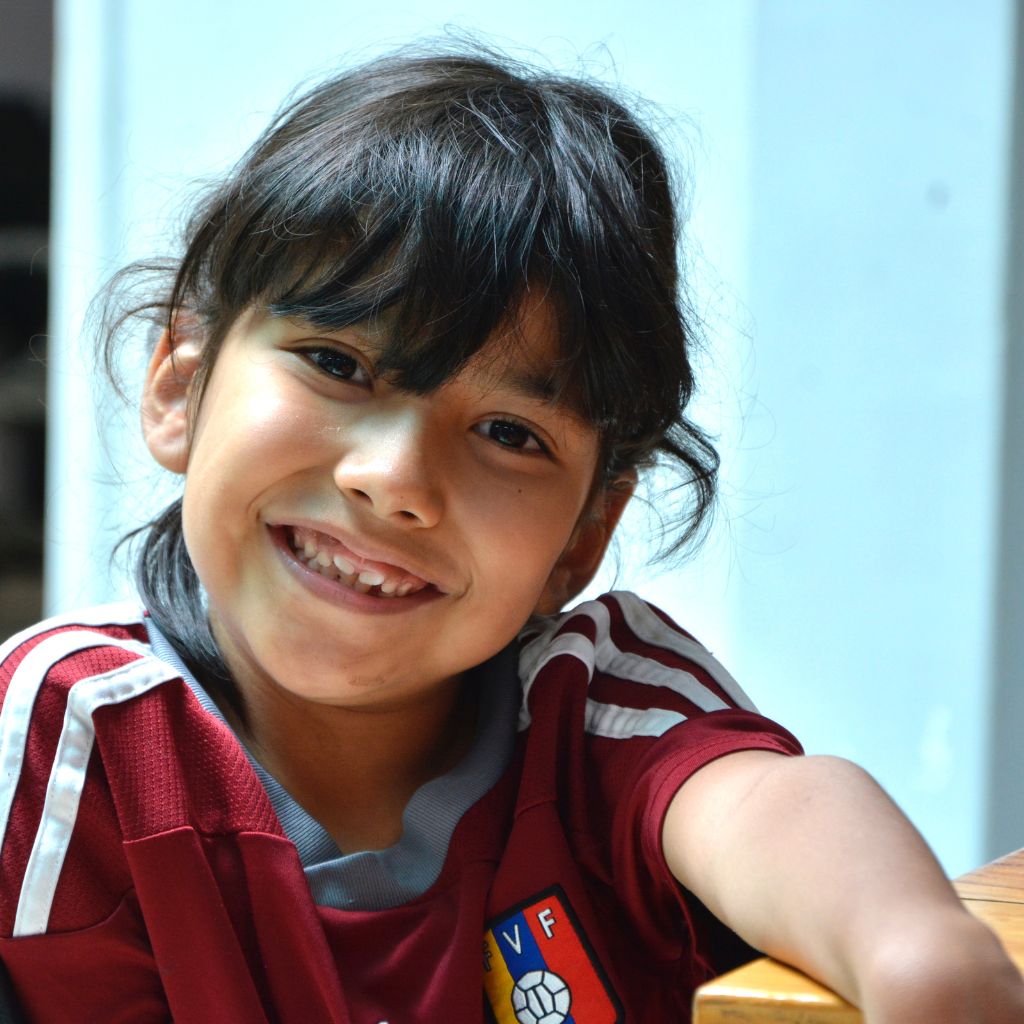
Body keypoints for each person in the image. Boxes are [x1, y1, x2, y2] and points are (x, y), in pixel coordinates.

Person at [0, 46, 1021, 1024]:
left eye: (507, 432)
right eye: (337, 362)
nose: (396, 482)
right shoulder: (64, 737)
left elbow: (768, 809)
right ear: (179, 386)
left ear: (583, 538)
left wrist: (915, 951)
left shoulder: (596, 701)